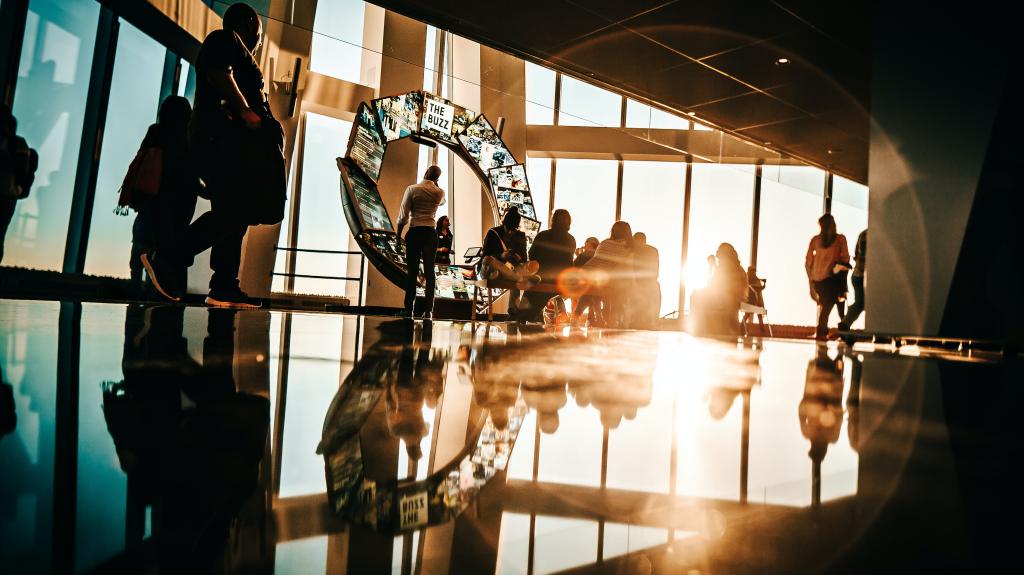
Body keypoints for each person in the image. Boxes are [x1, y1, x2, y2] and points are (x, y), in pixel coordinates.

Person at [143, 3, 283, 309]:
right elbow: (218, 71)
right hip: (221, 145)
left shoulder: (230, 47)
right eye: (259, 34)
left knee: (234, 214)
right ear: (249, 24)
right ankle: (171, 254)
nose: (259, 42)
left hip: (228, 148)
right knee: (238, 211)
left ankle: (223, 285)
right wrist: (246, 111)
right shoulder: (226, 39)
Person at [128, 96, 201, 289]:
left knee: (141, 253)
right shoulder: (188, 137)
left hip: (152, 201)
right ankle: (169, 296)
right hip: (179, 205)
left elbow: (142, 163)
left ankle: (135, 296)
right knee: (173, 254)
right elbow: (192, 174)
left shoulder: (155, 131)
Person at [396, 165, 446, 318]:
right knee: (430, 272)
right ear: (437, 179)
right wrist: (436, 184)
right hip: (431, 234)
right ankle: (429, 309)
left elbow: (403, 215)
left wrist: (398, 236)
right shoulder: (439, 192)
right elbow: (443, 202)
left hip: (415, 231)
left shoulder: (412, 189)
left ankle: (408, 308)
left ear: (425, 173)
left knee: (412, 271)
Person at [575, 221, 634, 328]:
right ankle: (608, 319)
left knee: (590, 289)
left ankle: (577, 315)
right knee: (606, 287)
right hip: (609, 280)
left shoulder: (605, 243)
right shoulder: (628, 248)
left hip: (589, 274)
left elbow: (597, 261)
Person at [522, 209, 576, 322]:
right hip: (560, 279)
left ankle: (526, 315)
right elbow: (569, 262)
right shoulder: (571, 240)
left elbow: (531, 255)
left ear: (553, 220)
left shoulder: (542, 235)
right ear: (569, 222)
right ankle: (537, 313)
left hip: (541, 276)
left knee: (531, 297)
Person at [0, 104, 38, 265]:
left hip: (6, 194)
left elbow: (21, 168)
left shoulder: (17, 143)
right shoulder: (18, 143)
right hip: (8, 194)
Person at [805, 213, 851, 340]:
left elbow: (808, 262)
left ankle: (825, 330)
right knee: (835, 303)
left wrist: (811, 280)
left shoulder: (815, 240)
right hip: (833, 278)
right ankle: (830, 331)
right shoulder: (840, 239)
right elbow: (846, 258)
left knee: (828, 303)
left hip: (817, 280)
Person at [481, 208, 539, 299]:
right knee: (490, 260)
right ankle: (522, 278)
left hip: (511, 268)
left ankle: (513, 309)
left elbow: (524, 259)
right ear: (504, 224)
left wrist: (518, 258)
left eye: (513, 229)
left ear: (517, 227)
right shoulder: (493, 233)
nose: (510, 232)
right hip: (494, 268)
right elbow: (485, 256)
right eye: (508, 228)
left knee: (532, 264)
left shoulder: (520, 236)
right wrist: (501, 255)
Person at [691, 243, 747, 336]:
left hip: (730, 297)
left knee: (697, 296)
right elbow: (714, 283)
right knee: (697, 295)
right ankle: (702, 328)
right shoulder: (728, 267)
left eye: (720, 258)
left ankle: (701, 329)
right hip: (725, 295)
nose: (719, 260)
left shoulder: (731, 267)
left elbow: (723, 285)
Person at [838, 228, 867, 331]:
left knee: (860, 304)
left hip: (857, 274)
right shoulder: (873, 235)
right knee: (861, 304)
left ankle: (845, 323)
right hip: (863, 275)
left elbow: (858, 254)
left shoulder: (863, 234)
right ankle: (844, 324)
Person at [631, 232, 661, 329]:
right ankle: (654, 320)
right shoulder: (653, 250)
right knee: (656, 289)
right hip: (650, 281)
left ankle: (636, 319)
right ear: (644, 240)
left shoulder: (631, 250)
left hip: (634, 281)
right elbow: (656, 270)